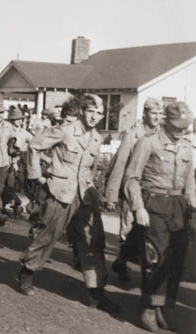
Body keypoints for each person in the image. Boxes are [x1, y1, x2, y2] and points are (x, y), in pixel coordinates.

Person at [19, 94, 121, 313]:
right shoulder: (65, 130)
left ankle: (96, 293)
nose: (95, 116)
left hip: (84, 195)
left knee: (94, 241)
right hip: (60, 191)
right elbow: (34, 146)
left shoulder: (96, 137)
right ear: (82, 111)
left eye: (99, 113)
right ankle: (28, 270)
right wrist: (37, 176)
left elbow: (91, 169)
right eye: (91, 111)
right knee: (49, 234)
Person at [123, 101, 196, 331]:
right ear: (166, 121)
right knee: (154, 258)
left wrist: (192, 211)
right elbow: (132, 178)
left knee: (174, 260)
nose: (181, 130)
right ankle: (147, 307)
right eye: (177, 126)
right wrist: (138, 208)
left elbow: (189, 182)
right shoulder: (148, 143)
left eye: (184, 126)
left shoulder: (186, 147)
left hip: (178, 206)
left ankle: (161, 305)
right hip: (153, 204)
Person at [103, 98, 163, 281]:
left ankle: (128, 261)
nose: (157, 117)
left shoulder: (161, 136)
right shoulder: (133, 135)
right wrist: (112, 194)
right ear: (144, 114)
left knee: (145, 231)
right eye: (153, 113)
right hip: (132, 188)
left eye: (160, 114)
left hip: (152, 193)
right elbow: (120, 164)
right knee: (128, 227)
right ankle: (123, 263)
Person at [3, 107, 33, 217]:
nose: (20, 121)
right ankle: (15, 203)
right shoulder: (7, 130)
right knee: (8, 183)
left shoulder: (25, 133)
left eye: (21, 119)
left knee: (16, 184)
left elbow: (34, 142)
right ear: (12, 120)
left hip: (20, 161)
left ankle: (13, 203)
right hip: (7, 160)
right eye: (17, 119)